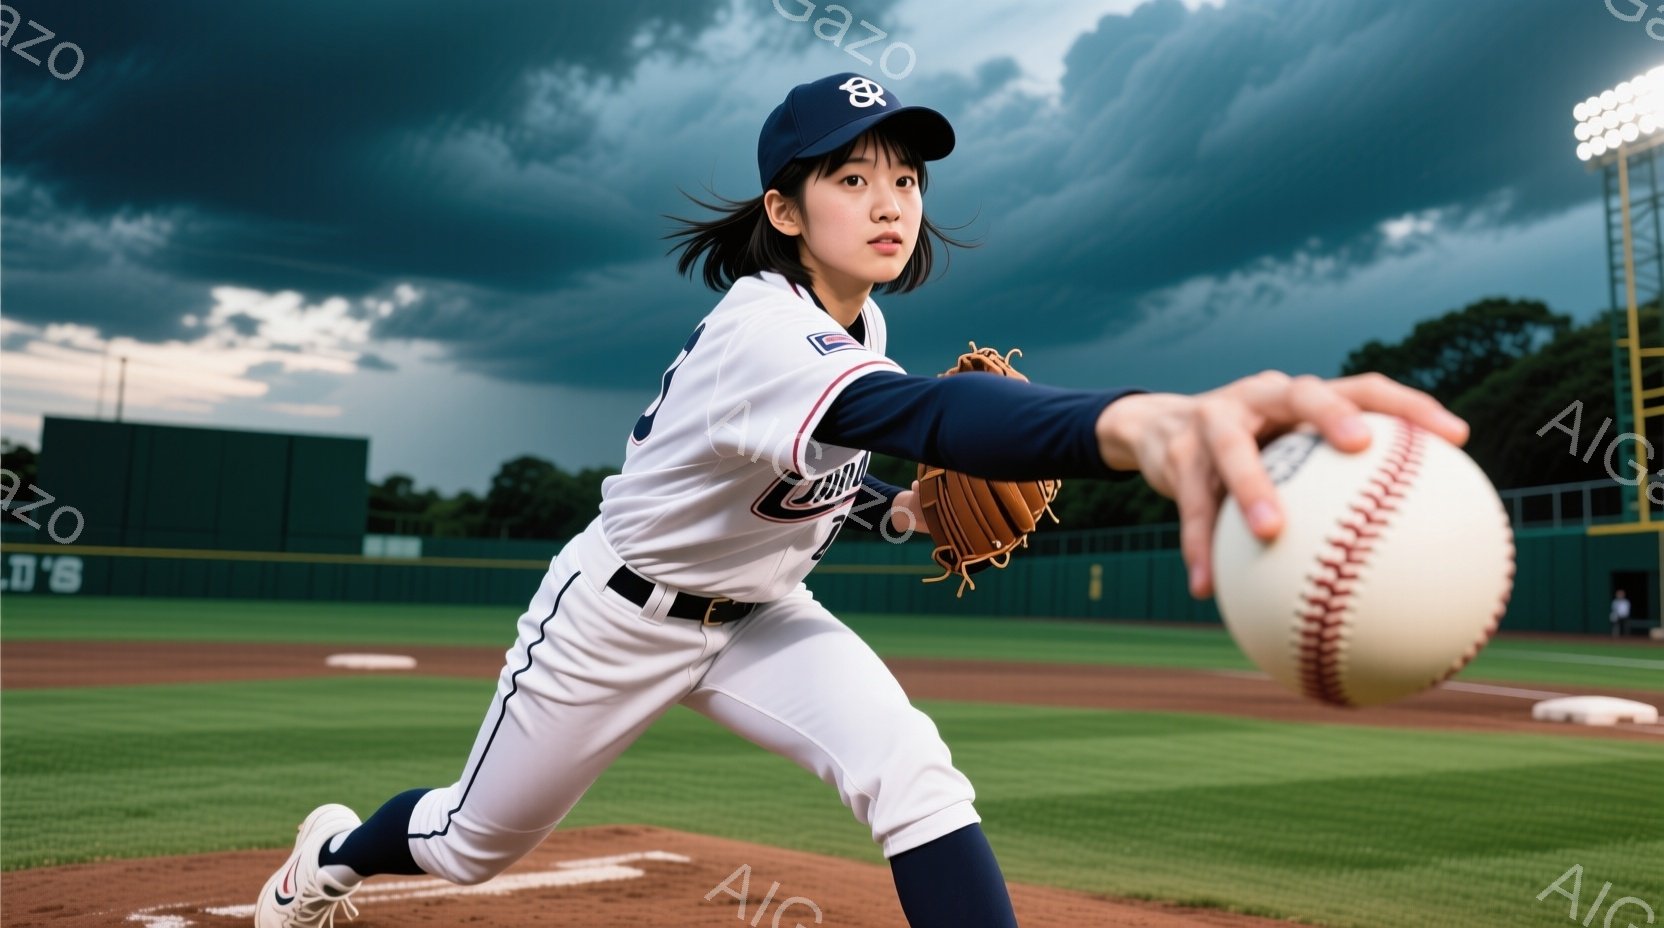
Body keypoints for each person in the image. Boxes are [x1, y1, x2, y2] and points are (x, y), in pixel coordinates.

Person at [254, 72, 1471, 928]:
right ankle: (329, 855)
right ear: (784, 213)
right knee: (470, 845)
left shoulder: (859, 324)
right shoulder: (759, 330)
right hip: (615, 617)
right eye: (851, 177)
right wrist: (1141, 421)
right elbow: (929, 415)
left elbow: (823, 462)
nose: (891, 201)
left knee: (913, 774)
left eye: (906, 177)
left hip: (761, 614)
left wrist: (892, 511)